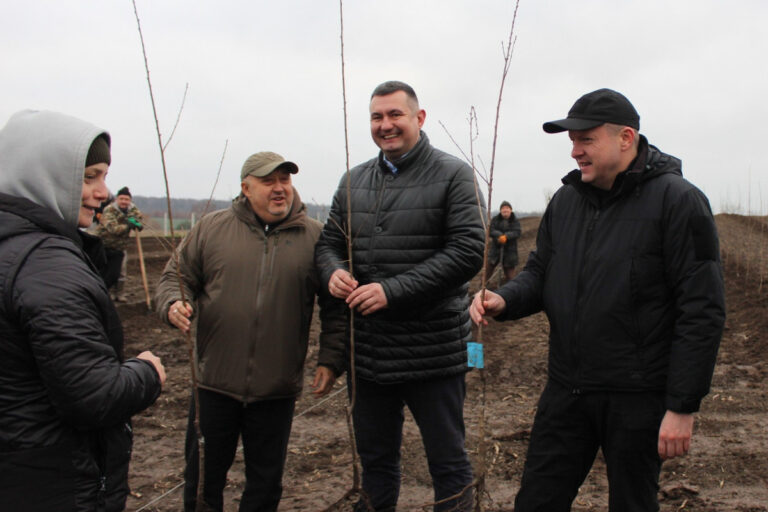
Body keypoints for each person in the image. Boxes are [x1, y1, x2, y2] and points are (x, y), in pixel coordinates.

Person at [470, 88, 725, 511]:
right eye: (572, 141)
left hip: (637, 397)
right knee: (536, 501)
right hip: (567, 389)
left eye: (585, 139)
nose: (574, 151)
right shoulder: (566, 202)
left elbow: (702, 309)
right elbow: (539, 272)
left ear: (626, 138)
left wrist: (682, 406)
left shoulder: (680, 202)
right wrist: (505, 299)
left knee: (632, 503)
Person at [315, 81, 486, 512]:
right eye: (377, 117)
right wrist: (333, 271)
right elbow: (328, 244)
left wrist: (392, 291)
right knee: (376, 463)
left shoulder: (453, 174)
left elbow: (467, 251)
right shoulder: (353, 181)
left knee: (448, 462)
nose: (385, 125)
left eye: (395, 115)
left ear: (419, 118)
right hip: (369, 356)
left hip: (433, 352)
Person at [154, 151, 345, 512]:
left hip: (275, 389)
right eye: (268, 181)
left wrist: (332, 359)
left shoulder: (315, 239)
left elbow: (335, 308)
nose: (279, 189)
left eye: (284, 180)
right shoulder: (211, 229)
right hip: (213, 383)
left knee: (265, 485)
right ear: (246, 188)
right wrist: (172, 304)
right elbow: (174, 278)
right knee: (202, 484)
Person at [0, 109, 166, 511]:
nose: (103, 192)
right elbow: (93, 396)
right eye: (89, 176)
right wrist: (146, 373)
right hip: (51, 478)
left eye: (104, 177)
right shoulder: (47, 266)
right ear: (45, 173)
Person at [94, 186, 143, 301]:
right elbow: (114, 229)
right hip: (104, 245)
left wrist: (138, 224)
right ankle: (108, 293)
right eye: (121, 199)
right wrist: (128, 226)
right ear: (117, 199)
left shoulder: (133, 210)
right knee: (107, 272)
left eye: (126, 199)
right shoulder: (109, 210)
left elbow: (139, 219)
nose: (124, 202)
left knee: (121, 272)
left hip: (120, 247)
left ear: (130, 200)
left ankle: (120, 294)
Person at [485, 200, 521, 283]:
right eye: (503, 208)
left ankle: (511, 292)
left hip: (510, 253)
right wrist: (499, 235)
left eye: (507, 208)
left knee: (511, 277)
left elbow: (517, 232)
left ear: (510, 210)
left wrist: (506, 236)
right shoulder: (495, 219)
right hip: (495, 251)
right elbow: (490, 230)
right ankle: (482, 289)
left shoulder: (515, 221)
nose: (505, 210)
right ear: (500, 210)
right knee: (487, 272)